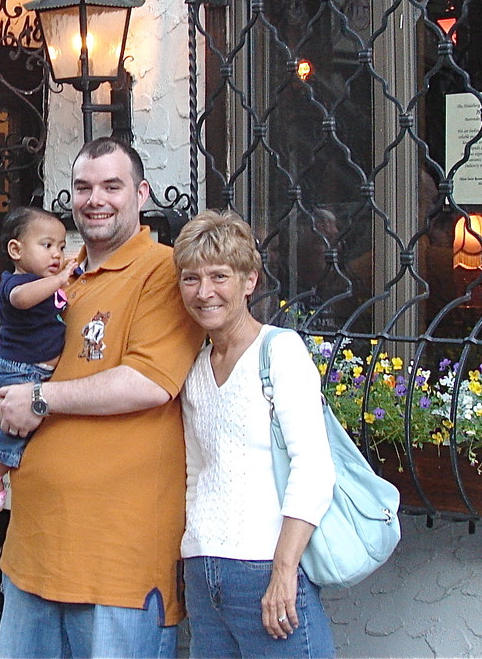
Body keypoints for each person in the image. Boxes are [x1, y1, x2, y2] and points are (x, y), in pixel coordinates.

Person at [0, 137, 204, 659]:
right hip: (33, 550)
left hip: (116, 560)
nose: (95, 199)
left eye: (112, 186)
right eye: (83, 187)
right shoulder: (60, 272)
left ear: (141, 193)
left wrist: (37, 399)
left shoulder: (163, 271)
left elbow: (148, 381)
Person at [173, 209, 336, 658]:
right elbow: (196, 474)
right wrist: (190, 557)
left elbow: (314, 468)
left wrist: (284, 569)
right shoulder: (194, 369)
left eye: (219, 276)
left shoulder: (278, 352)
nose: (204, 292)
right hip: (204, 573)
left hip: (267, 568)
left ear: (249, 281)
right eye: (191, 279)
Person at [0, 206, 71, 512]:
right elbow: (22, 299)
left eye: (61, 247)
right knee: (22, 422)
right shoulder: (15, 284)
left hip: (24, 367)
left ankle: (0, 460)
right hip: (13, 369)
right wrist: (61, 279)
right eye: (47, 245)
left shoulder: (46, 281)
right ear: (15, 249)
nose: (56, 254)